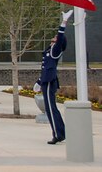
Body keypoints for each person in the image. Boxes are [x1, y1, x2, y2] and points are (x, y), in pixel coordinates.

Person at [35, 9, 73, 145]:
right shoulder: (49, 51)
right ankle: (60, 132)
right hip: (46, 81)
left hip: (50, 81)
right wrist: (39, 81)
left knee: (51, 108)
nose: (53, 40)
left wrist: (64, 22)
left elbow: (60, 38)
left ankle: (58, 134)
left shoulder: (56, 51)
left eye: (54, 40)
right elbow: (46, 68)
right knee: (51, 108)